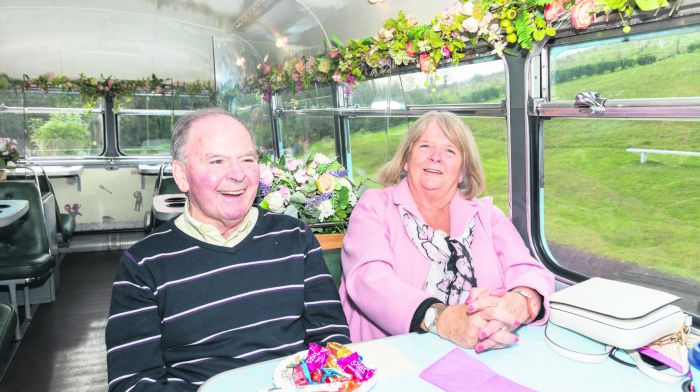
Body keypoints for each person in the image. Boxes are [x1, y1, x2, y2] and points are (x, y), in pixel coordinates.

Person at [105, 108, 350, 391]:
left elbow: (330, 337)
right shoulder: (143, 265)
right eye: (217, 161)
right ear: (181, 176)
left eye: (247, 159)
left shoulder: (295, 237)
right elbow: (134, 383)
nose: (237, 174)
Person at [339, 111, 554, 352]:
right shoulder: (374, 206)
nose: (435, 157)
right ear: (406, 161)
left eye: (450, 151)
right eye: (425, 146)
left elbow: (528, 270)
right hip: (391, 354)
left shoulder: (487, 215)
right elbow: (368, 279)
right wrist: (444, 319)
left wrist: (519, 303)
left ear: (462, 171)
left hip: (479, 354)